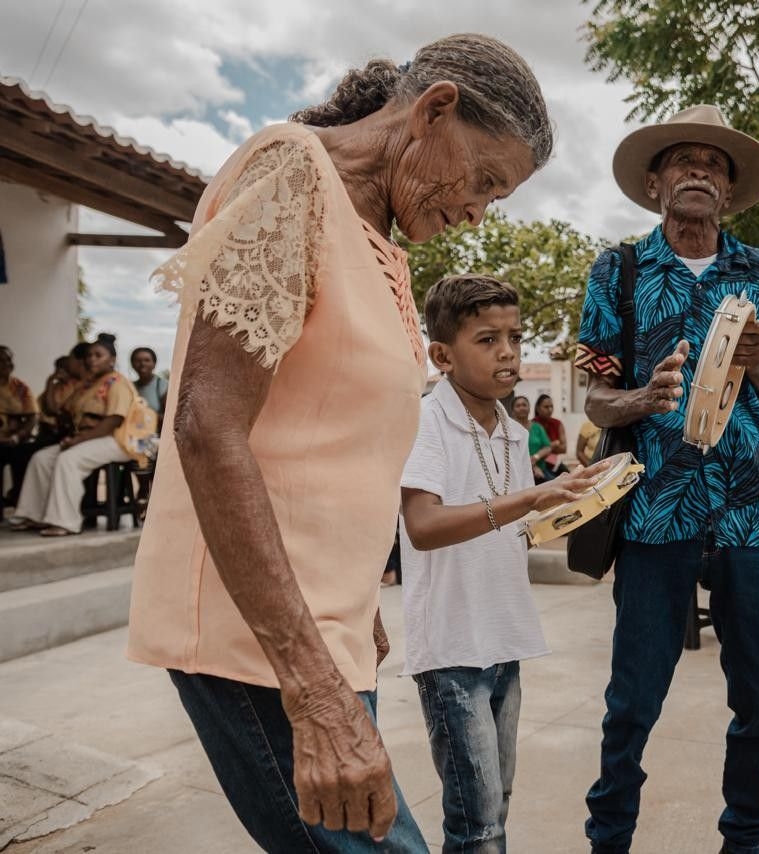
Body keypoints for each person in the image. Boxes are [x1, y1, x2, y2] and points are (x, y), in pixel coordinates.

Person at [126, 34, 552, 852]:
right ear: (435, 111)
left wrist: (358, 609)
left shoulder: (378, 241)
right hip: (257, 639)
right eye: (486, 181)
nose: (478, 212)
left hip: (326, 631)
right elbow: (208, 426)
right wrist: (315, 686)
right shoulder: (293, 174)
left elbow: (326, 442)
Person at [575, 104, 759, 854]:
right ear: (655, 184)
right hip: (654, 513)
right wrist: (645, 398)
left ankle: (745, 841)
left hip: (747, 513)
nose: (699, 171)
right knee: (632, 703)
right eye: (683, 160)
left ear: (729, 191)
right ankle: (609, 841)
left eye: (714, 164)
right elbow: (596, 398)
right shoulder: (619, 271)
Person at [400, 275, 607, 852]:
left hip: (503, 639)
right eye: (487, 340)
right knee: (478, 825)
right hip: (451, 650)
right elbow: (423, 527)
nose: (509, 352)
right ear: (442, 356)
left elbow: (517, 531)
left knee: (496, 805)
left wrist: (583, 502)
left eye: (515, 337)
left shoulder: (513, 434)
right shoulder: (426, 421)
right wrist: (531, 498)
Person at [10, 334, 135, 536]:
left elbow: (112, 422)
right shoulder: (88, 384)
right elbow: (61, 411)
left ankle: (66, 522)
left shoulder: (117, 382)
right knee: (41, 459)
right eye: (89, 355)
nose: (92, 359)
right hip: (89, 439)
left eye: (98, 355)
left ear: (112, 359)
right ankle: (34, 515)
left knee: (68, 460)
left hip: (117, 440)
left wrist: (78, 440)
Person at [0, 345, 38, 505]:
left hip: (14, 440)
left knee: (24, 454)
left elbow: (32, 417)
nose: (6, 364)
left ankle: (19, 502)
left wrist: (17, 436)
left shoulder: (20, 388)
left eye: (8, 360)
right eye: (1, 360)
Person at [512, 394, 554, 481]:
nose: (522, 408)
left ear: (529, 408)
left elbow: (547, 447)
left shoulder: (537, 427)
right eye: (518, 406)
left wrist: (536, 457)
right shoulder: (509, 429)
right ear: (512, 410)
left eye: (524, 405)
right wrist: (532, 467)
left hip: (541, 471)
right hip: (518, 474)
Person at [532, 394, 569, 474]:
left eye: (551, 406)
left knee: (567, 474)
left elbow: (564, 449)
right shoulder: (532, 425)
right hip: (536, 463)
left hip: (553, 462)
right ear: (538, 408)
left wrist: (544, 448)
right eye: (546, 407)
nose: (550, 410)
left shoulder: (557, 423)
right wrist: (553, 445)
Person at [130, 346, 168, 419]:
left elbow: (169, 416)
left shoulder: (163, 385)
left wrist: (149, 416)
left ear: (154, 363)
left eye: (147, 360)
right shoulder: (130, 386)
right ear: (132, 364)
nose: (142, 364)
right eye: (138, 361)